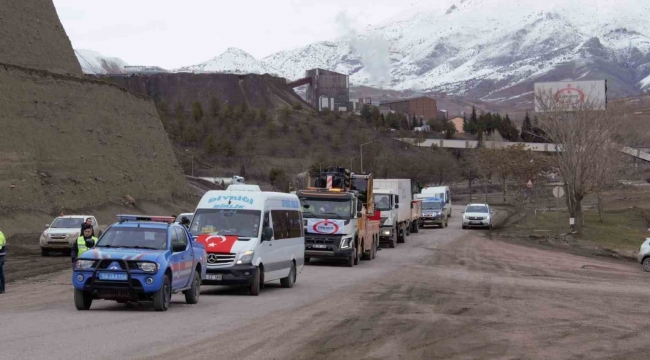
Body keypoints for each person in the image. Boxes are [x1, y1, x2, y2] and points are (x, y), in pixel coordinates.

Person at [0, 229, 6, 294]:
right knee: (1, 273)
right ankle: (3, 289)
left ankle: (0, 289)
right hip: (2, 256)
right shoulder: (1, 233)